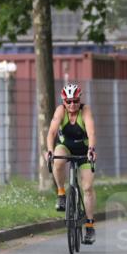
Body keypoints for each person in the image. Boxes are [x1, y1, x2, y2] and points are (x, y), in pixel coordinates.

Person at [45, 83, 97, 244]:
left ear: (79, 100)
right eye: (68, 102)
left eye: (75, 101)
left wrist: (91, 149)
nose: (72, 104)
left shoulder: (85, 110)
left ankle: (89, 226)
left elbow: (91, 131)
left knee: (87, 187)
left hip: (83, 150)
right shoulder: (60, 110)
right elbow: (52, 132)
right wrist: (50, 150)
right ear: (63, 101)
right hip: (65, 146)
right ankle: (61, 193)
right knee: (58, 160)